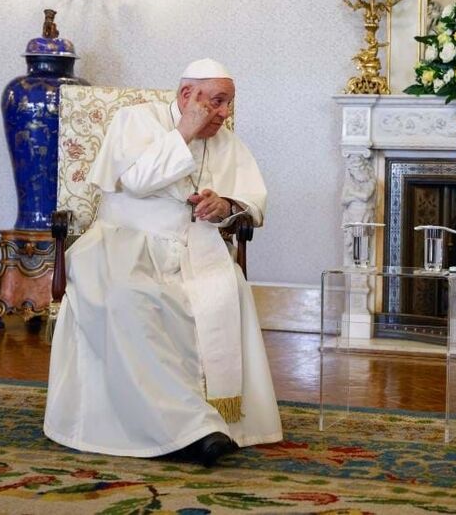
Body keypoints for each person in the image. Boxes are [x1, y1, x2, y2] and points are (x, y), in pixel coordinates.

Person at [44, 58, 282, 466]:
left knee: (221, 292)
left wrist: (223, 204)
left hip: (195, 249)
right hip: (122, 245)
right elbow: (136, 181)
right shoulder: (133, 120)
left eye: (229, 103)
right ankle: (194, 427)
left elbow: (254, 204)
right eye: (218, 102)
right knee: (128, 298)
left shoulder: (227, 142)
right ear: (188, 95)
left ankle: (206, 424)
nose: (225, 114)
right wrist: (185, 132)